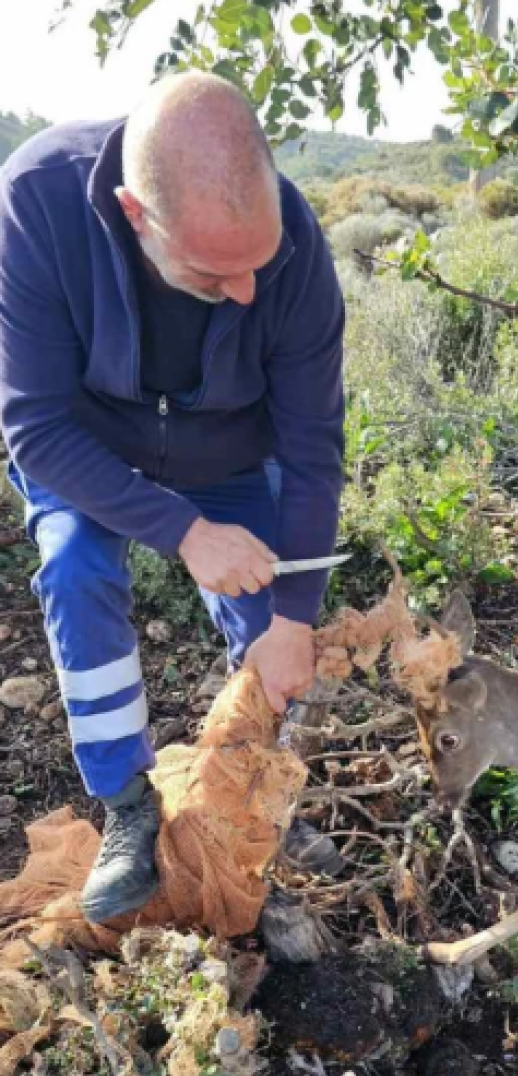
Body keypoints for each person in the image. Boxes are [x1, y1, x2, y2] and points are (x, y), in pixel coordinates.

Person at [0, 70, 345, 925]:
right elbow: (37, 431)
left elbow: (311, 451)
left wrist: (296, 615)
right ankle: (127, 805)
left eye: (255, 266)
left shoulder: (294, 253)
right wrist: (184, 531)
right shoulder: (36, 205)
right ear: (133, 212)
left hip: (225, 445)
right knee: (77, 570)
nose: (245, 294)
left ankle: (255, 788)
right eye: (211, 273)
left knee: (273, 622)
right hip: (85, 443)